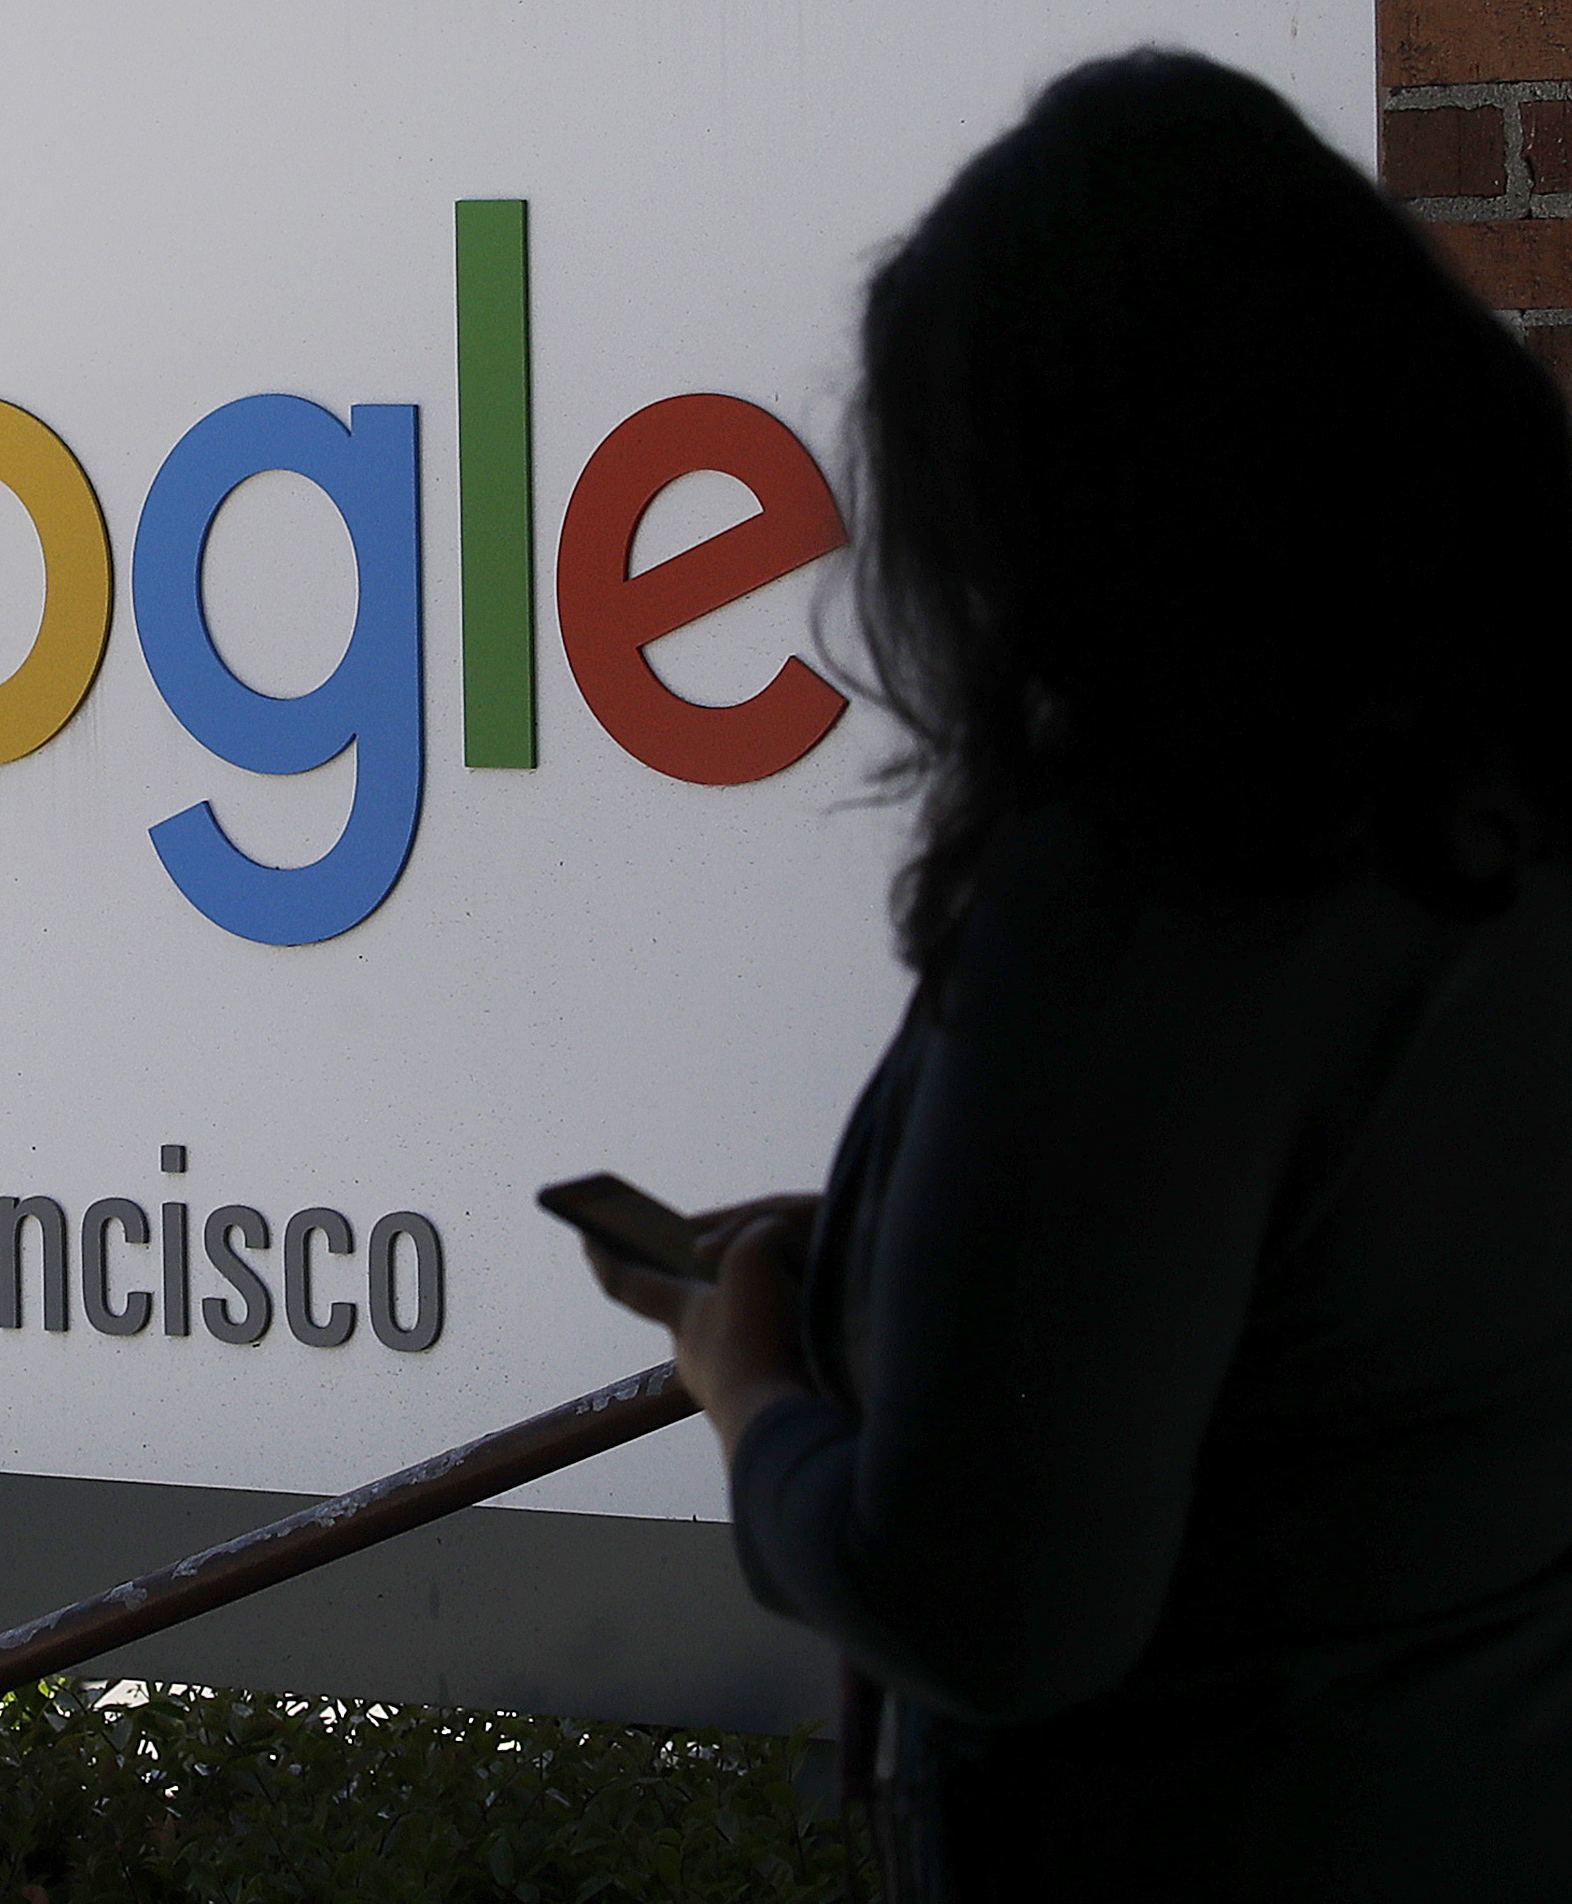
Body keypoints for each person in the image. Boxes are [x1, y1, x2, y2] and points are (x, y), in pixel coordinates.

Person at [587, 49, 1572, 1903]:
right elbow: (1322, 1292)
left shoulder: (1163, 889)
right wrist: (901, 1250)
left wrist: (753, 1389)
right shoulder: (1492, 802)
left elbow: (984, 1607)